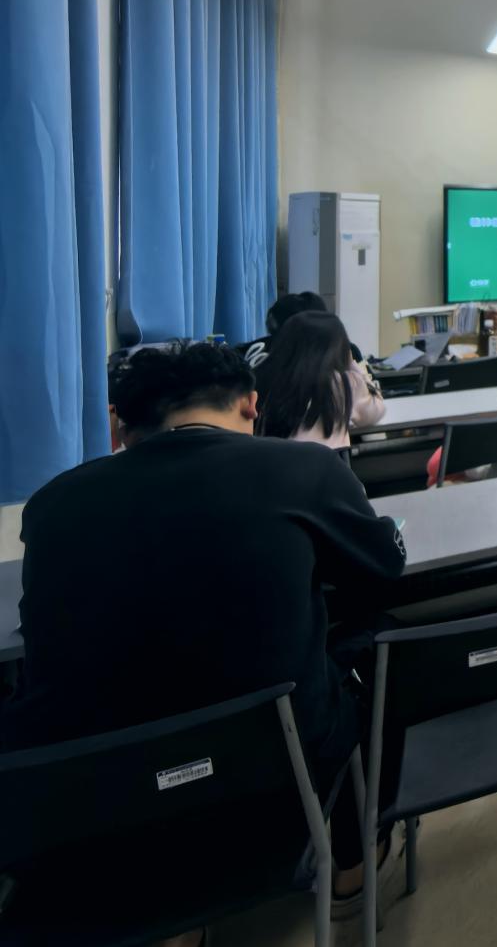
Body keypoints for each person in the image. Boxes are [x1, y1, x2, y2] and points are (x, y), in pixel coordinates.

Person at [0, 343, 407, 914]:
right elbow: (384, 564)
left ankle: (173, 919)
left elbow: (36, 623)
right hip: (275, 753)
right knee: (378, 644)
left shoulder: (51, 504)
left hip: (94, 778)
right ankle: (351, 870)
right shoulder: (305, 469)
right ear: (251, 405)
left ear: (120, 426)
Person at [254, 310, 387, 448]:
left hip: (275, 459)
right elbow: (375, 412)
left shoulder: (267, 377)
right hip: (327, 461)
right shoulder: (343, 383)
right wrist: (352, 365)